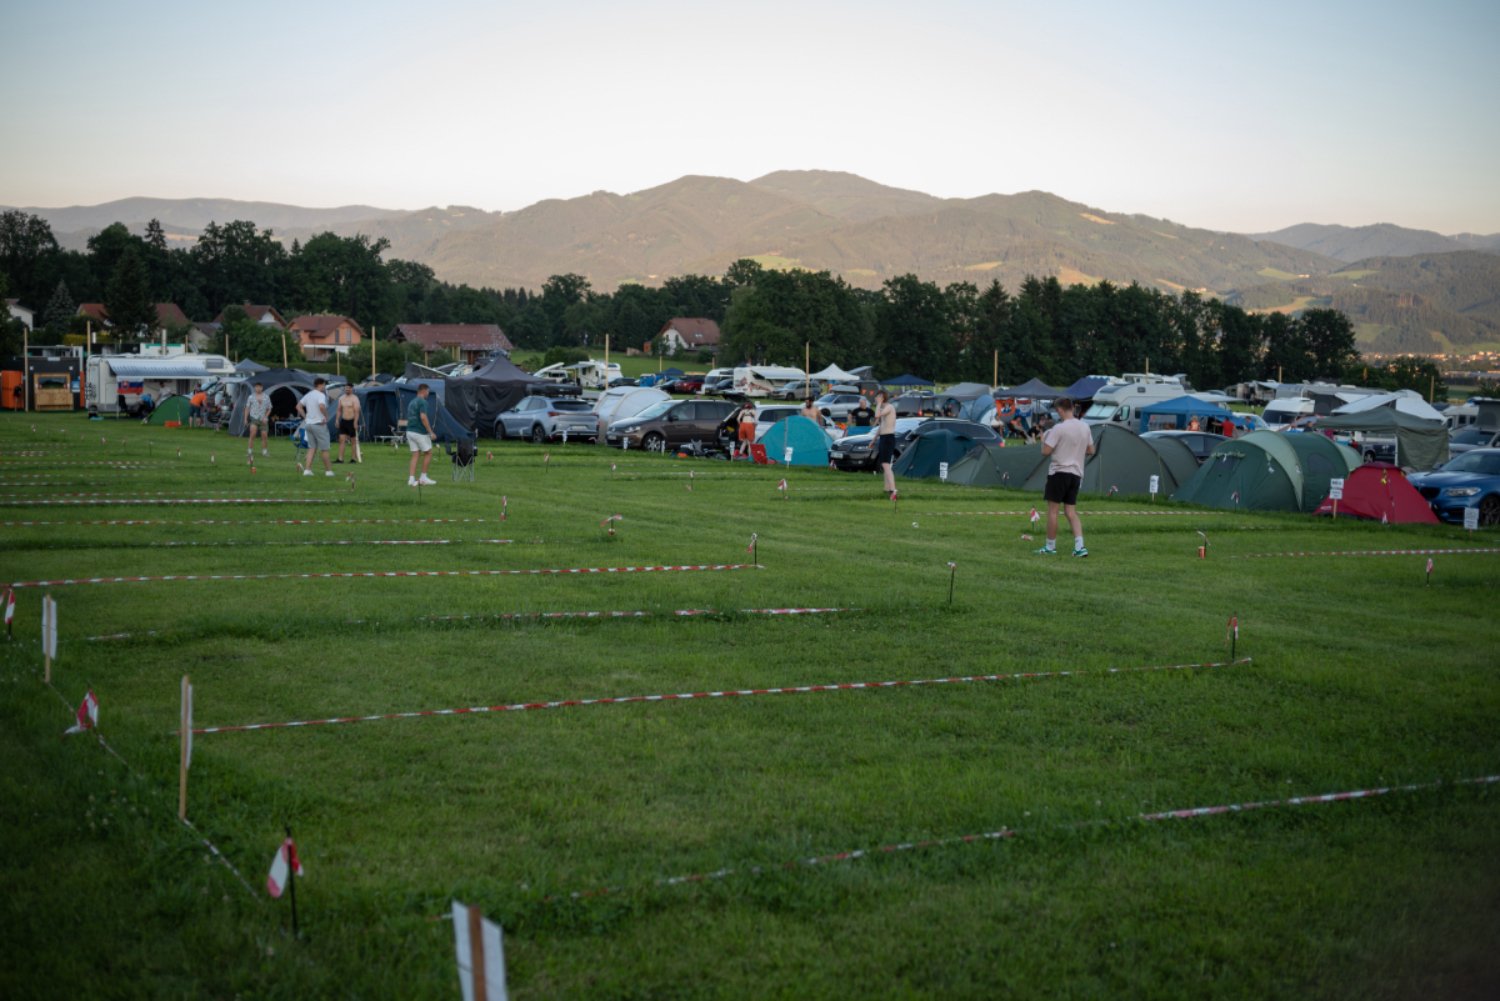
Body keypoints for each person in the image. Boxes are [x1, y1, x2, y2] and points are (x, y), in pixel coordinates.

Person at [1035, 396, 1095, 557]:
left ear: (1060, 409)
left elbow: (1045, 452)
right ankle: (1080, 546)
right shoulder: (1085, 427)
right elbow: (1091, 450)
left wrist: (1043, 440)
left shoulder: (1059, 428)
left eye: (1057, 411)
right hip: (1076, 474)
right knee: (1071, 512)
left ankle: (1050, 546)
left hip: (1059, 472)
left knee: (1053, 511)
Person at [296, 377, 334, 477]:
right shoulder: (321, 395)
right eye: (324, 385)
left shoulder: (308, 395)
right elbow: (321, 406)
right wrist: (326, 416)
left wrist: (305, 417)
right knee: (324, 448)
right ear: (320, 384)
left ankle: (307, 470)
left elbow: (298, 406)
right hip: (319, 424)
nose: (324, 387)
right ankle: (328, 471)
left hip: (308, 424)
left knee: (311, 448)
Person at [406, 382, 437, 487]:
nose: (428, 393)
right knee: (428, 453)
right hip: (419, 432)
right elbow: (423, 417)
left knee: (415, 455)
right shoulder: (423, 402)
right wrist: (430, 432)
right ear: (423, 391)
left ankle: (411, 480)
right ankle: (423, 478)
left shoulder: (412, 402)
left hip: (409, 431)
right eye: (428, 391)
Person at [874, 390, 898, 497]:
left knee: (886, 464)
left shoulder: (889, 407)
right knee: (884, 464)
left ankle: (893, 490)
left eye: (877, 397)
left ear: (882, 397)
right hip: (883, 438)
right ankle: (886, 489)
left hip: (889, 438)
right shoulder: (883, 408)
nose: (875, 398)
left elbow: (877, 415)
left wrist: (879, 403)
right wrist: (873, 440)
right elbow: (881, 426)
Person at [334, 385, 362, 463]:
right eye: (346, 389)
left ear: (352, 389)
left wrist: (355, 422)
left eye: (349, 389)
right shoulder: (341, 398)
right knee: (341, 440)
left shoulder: (355, 399)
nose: (347, 390)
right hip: (344, 421)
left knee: (353, 441)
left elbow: (357, 411)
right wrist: (337, 420)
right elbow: (339, 410)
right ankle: (340, 459)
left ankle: (353, 458)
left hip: (352, 421)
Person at [246, 382, 271, 458]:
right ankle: (250, 451)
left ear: (262, 388)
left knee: (264, 436)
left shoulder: (266, 397)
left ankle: (264, 451)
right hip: (254, 418)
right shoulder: (250, 397)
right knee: (252, 434)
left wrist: (266, 417)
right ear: (254, 388)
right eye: (256, 387)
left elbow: (269, 408)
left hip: (263, 419)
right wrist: (245, 419)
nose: (258, 388)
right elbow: (247, 408)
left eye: (259, 387)